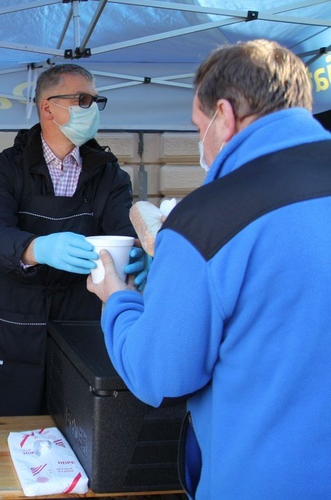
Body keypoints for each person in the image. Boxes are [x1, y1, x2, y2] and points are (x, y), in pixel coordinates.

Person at [87, 39, 331, 499]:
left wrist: (115, 298)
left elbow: (160, 374)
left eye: (200, 127)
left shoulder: (207, 221)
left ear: (225, 115)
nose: (202, 142)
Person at [0, 64, 148, 417]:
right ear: (47, 107)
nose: (91, 109)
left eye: (95, 101)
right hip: (13, 312)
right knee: (5, 426)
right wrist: (39, 249)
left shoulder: (110, 175)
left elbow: (125, 232)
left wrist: (139, 253)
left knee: (81, 420)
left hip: (82, 312)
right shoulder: (6, 167)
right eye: (82, 100)